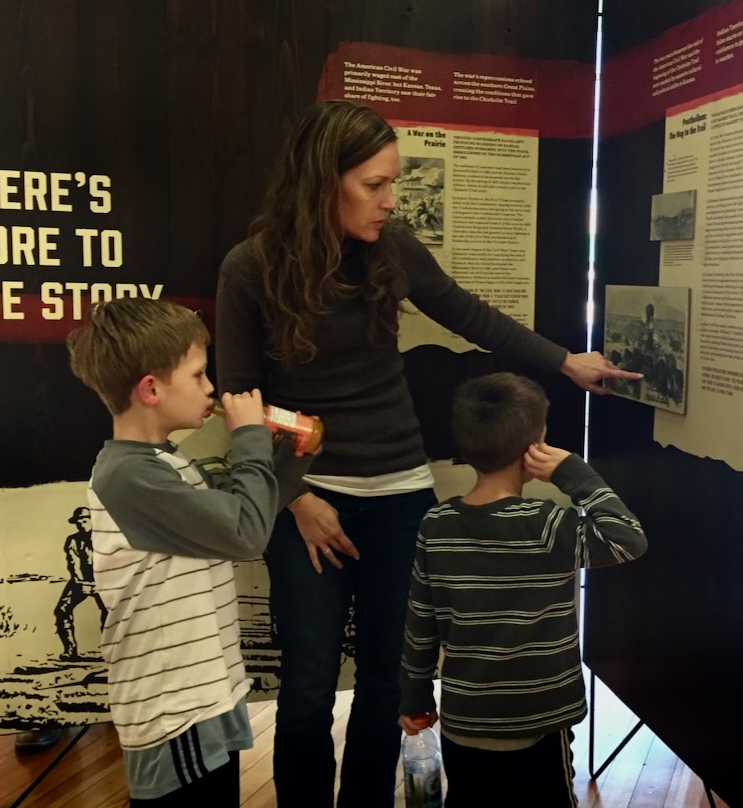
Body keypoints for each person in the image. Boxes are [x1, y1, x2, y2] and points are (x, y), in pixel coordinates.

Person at [214, 99, 638, 807]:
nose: (390, 201)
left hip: (399, 493)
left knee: (388, 679)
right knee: (309, 685)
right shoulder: (250, 267)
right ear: (323, 182)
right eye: (374, 185)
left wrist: (566, 361)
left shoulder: (393, 248)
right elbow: (238, 397)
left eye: (393, 184)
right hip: (307, 501)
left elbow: (472, 316)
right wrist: (294, 497)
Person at [398, 372, 647, 806]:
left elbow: (420, 625)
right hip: (540, 720)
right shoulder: (546, 524)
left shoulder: (436, 526)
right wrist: (571, 471)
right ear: (538, 443)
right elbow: (628, 538)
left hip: (466, 720)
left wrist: (415, 697)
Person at [66, 297, 279, 805]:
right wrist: (250, 438)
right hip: (173, 707)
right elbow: (247, 533)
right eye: (199, 374)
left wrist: (287, 452)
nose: (210, 388)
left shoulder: (166, 462)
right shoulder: (129, 476)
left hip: (203, 692)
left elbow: (251, 512)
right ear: (151, 389)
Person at [54, 506, 107, 660]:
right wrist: (81, 582)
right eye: (78, 522)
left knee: (110, 614)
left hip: (103, 581)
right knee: (62, 610)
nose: (81, 524)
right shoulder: (73, 540)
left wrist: (100, 582)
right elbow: (73, 563)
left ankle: (110, 650)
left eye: (84, 521)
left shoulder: (103, 539)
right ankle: (70, 651)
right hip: (79, 583)